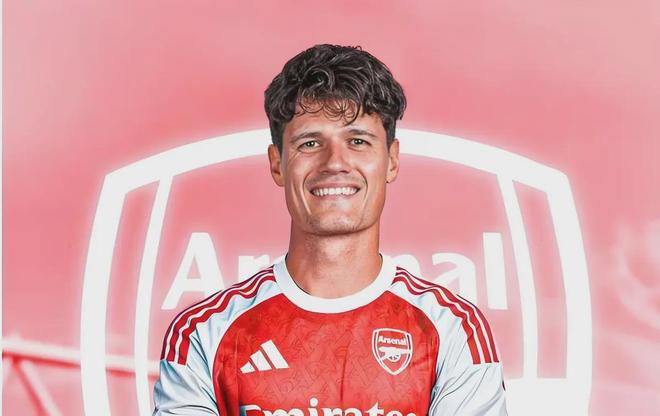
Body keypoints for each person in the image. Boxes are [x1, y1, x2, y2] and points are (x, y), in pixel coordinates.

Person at [153, 44, 507, 416]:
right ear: (277, 164)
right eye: (310, 143)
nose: (335, 162)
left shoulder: (453, 330)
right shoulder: (203, 333)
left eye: (358, 141)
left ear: (391, 160)